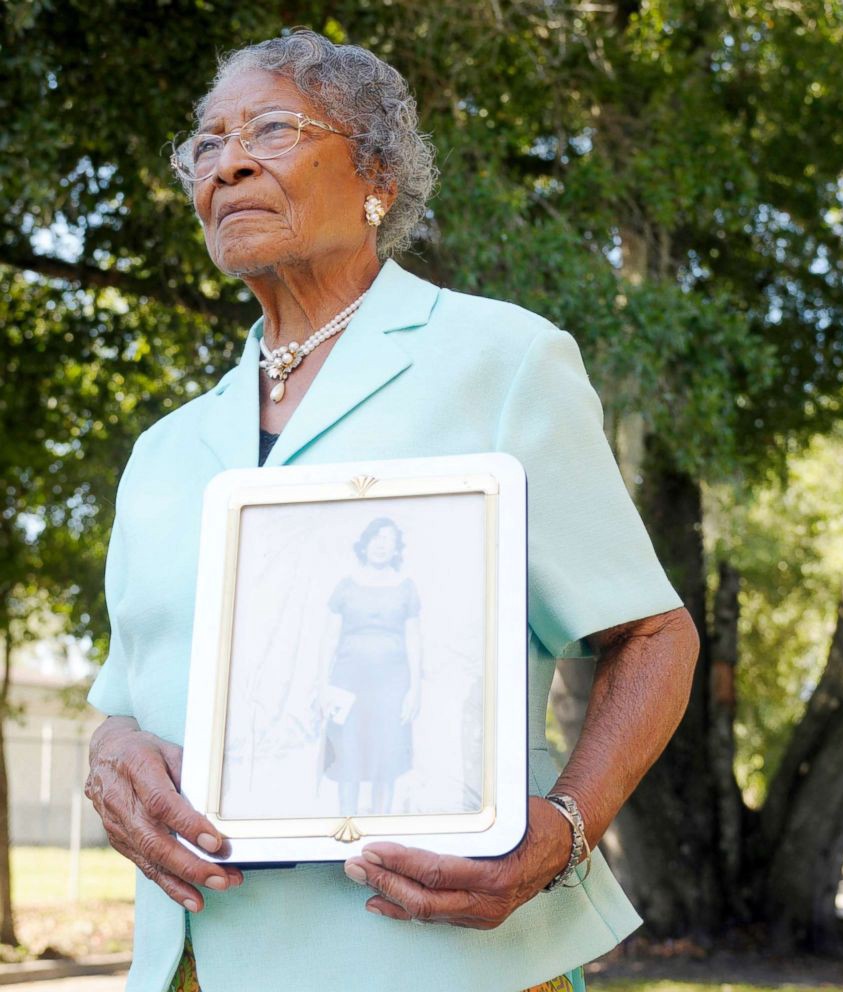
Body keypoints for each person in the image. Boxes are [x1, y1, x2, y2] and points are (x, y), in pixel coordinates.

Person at [84, 28, 699, 992]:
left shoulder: (500, 362)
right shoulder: (164, 451)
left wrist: (566, 828)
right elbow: (122, 703)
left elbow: (654, 635)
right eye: (206, 144)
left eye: (271, 129)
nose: (227, 163)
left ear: (375, 172)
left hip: (439, 960)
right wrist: (114, 756)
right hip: (196, 961)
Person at [320, 517, 421, 816]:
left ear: (396, 548)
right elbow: (329, 639)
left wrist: (415, 690)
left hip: (392, 687)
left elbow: (414, 641)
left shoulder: (406, 588)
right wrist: (323, 687)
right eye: (376, 538)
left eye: (388, 539)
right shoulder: (345, 586)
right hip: (348, 684)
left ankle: (381, 824)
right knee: (348, 756)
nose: (381, 545)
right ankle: (347, 823)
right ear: (364, 544)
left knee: (386, 758)